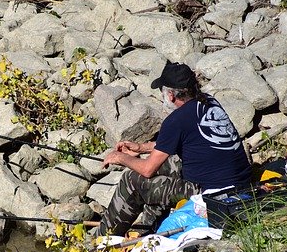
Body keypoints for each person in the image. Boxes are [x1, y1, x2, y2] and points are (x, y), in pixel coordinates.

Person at [97, 62, 252, 236]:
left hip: (211, 193)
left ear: (170, 95)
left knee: (133, 179)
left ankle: (103, 240)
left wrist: (119, 157)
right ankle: (151, 226)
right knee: (169, 163)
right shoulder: (209, 102)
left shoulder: (175, 120)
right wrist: (141, 148)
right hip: (242, 183)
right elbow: (188, 141)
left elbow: (147, 170)